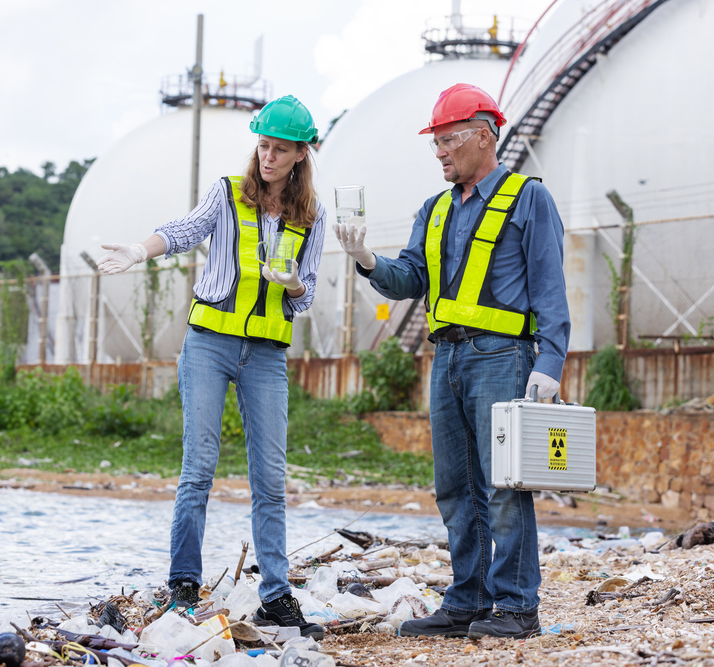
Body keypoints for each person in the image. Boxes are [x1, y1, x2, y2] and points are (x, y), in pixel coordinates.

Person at [335, 83, 570, 640]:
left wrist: (550, 362)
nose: (439, 152)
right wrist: (366, 259)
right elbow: (409, 279)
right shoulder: (434, 209)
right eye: (434, 143)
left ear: (485, 136)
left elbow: (550, 287)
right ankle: (468, 601)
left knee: (505, 487)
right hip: (446, 359)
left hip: (504, 357)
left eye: (448, 140)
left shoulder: (528, 198)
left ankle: (517, 607)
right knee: (455, 488)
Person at [97, 95, 327, 638]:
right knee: (198, 468)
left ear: (300, 154)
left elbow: (307, 295)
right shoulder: (228, 194)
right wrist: (139, 250)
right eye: (263, 145)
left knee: (270, 479)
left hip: (266, 355)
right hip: (208, 344)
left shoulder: (312, 217)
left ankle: (276, 595)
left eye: (280, 149)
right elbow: (184, 231)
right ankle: (183, 586)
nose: (268, 156)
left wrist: (294, 284)